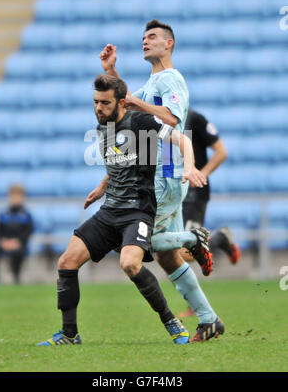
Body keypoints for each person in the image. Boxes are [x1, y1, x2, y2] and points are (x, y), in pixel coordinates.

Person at [37, 74, 203, 347]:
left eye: (104, 103)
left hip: (138, 210)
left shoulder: (142, 122)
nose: (98, 108)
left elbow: (182, 141)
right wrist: (102, 186)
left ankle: (172, 321)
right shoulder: (103, 128)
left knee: (129, 264)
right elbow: (119, 164)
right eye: (95, 102)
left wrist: (189, 168)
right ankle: (69, 334)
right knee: (67, 261)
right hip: (110, 210)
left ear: (121, 103)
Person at [95, 19, 224, 342]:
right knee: (168, 257)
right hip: (159, 173)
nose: (145, 41)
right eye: (143, 37)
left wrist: (136, 101)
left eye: (152, 37)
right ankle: (209, 319)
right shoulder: (154, 81)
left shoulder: (171, 79)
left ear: (169, 44)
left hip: (166, 174)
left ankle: (194, 238)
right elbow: (124, 103)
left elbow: (171, 120)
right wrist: (112, 71)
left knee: (148, 243)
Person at [178, 109, 241, 318]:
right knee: (172, 251)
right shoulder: (161, 120)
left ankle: (221, 237)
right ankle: (194, 303)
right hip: (173, 194)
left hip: (194, 195)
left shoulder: (194, 119)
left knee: (185, 252)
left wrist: (201, 175)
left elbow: (221, 151)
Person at [0, 184, 34, 284]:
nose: (15, 199)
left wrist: (17, 242)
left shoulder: (26, 215)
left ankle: (16, 279)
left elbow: (28, 231)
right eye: (13, 196)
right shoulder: (3, 214)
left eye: (18, 196)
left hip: (20, 245)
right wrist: (4, 242)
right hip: (5, 244)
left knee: (18, 253)